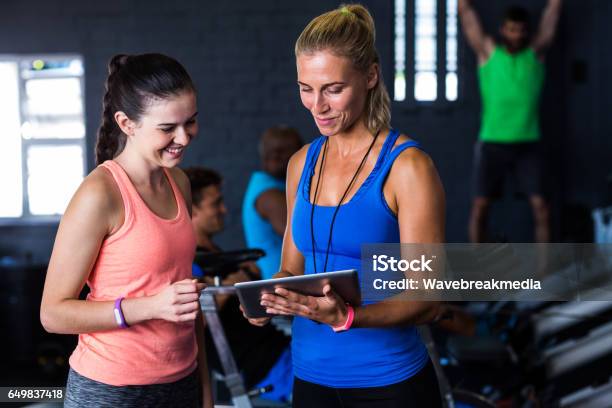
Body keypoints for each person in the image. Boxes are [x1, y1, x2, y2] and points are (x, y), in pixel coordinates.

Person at [243, 5, 446, 407]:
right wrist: (267, 299)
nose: (317, 105)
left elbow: (430, 299)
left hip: (389, 383)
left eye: (333, 88)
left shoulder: (407, 168)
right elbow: (290, 268)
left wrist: (349, 317)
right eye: (305, 88)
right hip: (310, 379)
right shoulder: (301, 163)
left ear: (370, 76)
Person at [40, 53, 213, 408]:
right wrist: (149, 306)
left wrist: (204, 388)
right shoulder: (100, 193)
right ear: (127, 123)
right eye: (167, 128)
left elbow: (181, 303)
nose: (184, 137)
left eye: (191, 122)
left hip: (182, 379)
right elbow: (53, 314)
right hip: (111, 389)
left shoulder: (179, 182)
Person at [459, 0, 563, 243]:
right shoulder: (488, 53)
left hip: (528, 144)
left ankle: (543, 276)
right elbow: (466, 13)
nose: (516, 35)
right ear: (503, 29)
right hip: (492, 143)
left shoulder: (535, 53)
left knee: (542, 209)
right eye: (511, 29)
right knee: (479, 208)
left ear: (527, 31)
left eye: (520, 30)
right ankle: (477, 271)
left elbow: (552, 13)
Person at [185, 167, 292, 402]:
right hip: (265, 367)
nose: (224, 210)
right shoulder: (189, 263)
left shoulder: (216, 257)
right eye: (216, 204)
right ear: (193, 210)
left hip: (282, 348)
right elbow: (187, 324)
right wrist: (231, 287)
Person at [242, 126, 303, 279]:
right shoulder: (270, 194)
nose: (275, 156)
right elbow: (300, 238)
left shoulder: (277, 185)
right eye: (271, 151)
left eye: (283, 150)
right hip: (280, 284)